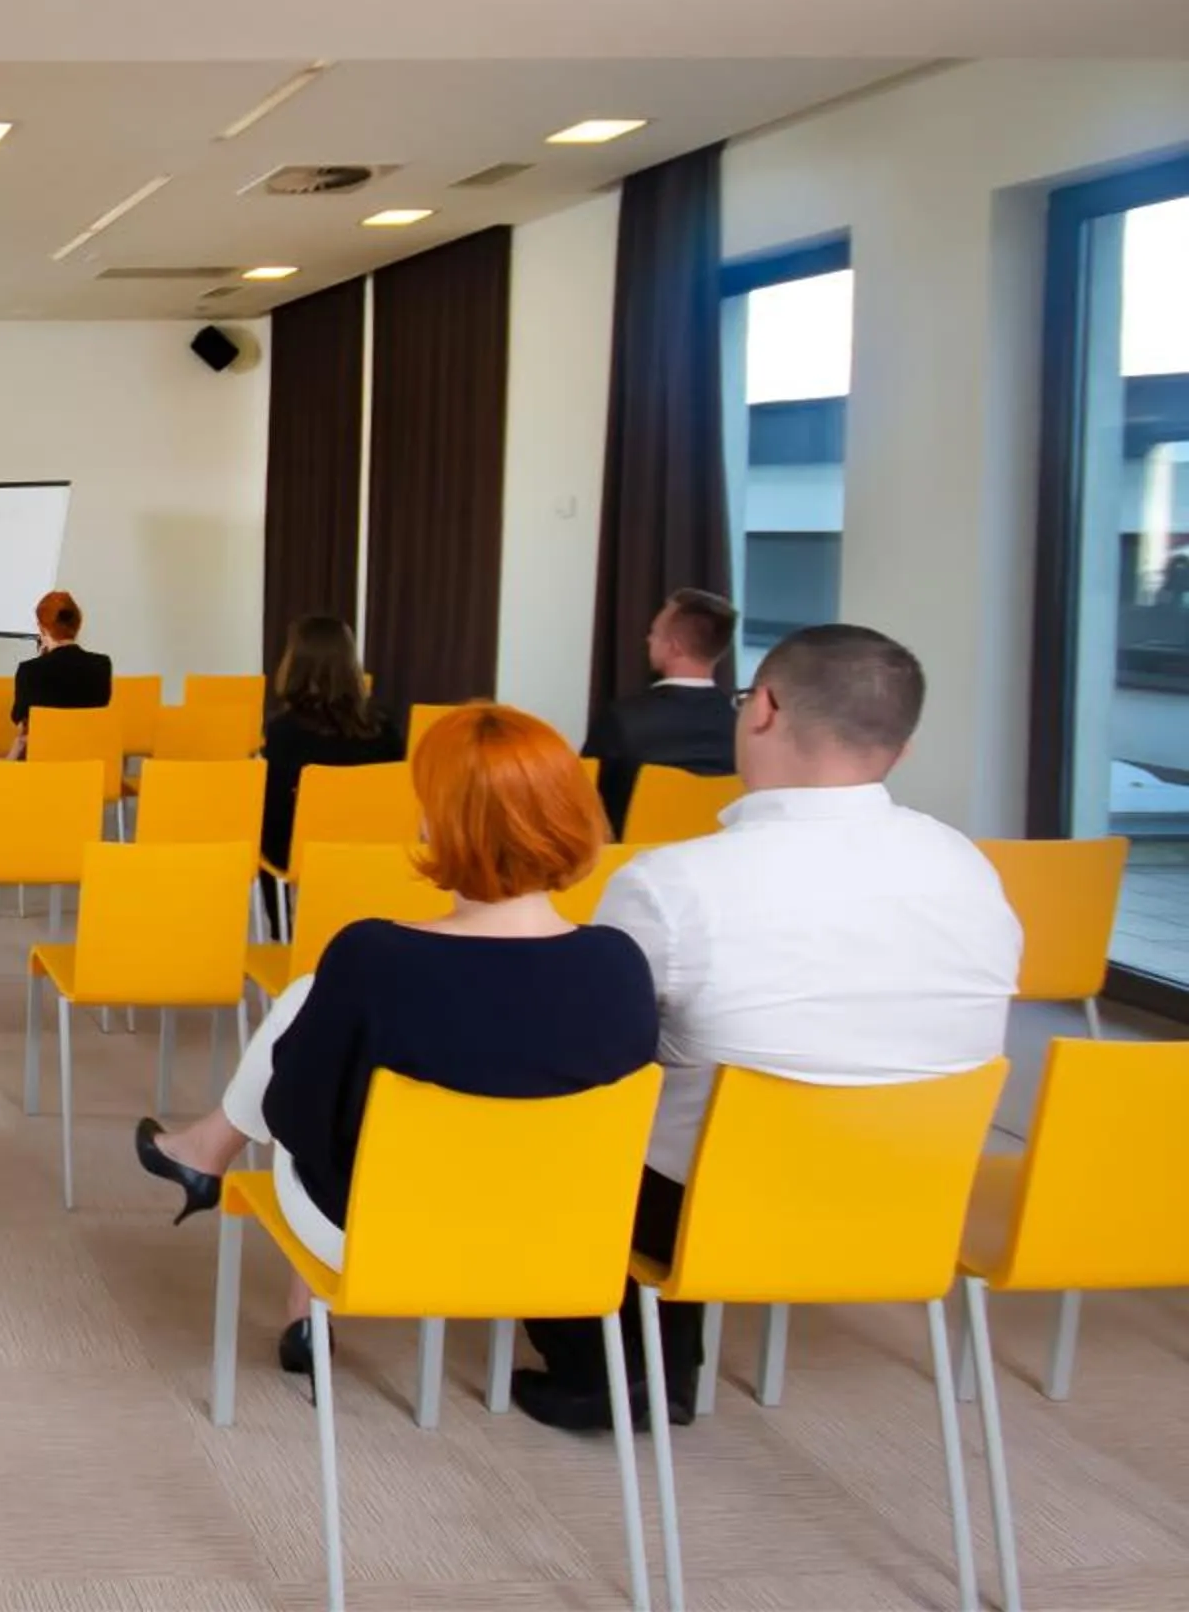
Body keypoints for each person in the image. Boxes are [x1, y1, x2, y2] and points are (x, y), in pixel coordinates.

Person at [513, 623, 1022, 1431]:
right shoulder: (970, 867)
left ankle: (615, 1370)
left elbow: (586, 1058)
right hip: (916, 1198)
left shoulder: (671, 883)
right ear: (902, 749)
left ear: (764, 710)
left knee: (554, 1105)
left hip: (710, 1210)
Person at [134, 704, 659, 1374]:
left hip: (382, 1237)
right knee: (320, 1015)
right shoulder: (621, 964)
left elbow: (294, 1116)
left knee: (305, 1025)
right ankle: (212, 1165)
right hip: (556, 1241)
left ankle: (238, 1203)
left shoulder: (373, 955)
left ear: (439, 821)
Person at [586, 587, 739, 833]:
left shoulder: (622, 720)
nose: (648, 640)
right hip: (717, 851)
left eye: (654, 633)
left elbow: (582, 799)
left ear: (674, 648)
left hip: (635, 854)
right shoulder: (740, 725)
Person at [259, 613, 405, 870]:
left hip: (303, 862)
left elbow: (274, 819)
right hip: (374, 857)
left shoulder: (283, 732)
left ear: (294, 664)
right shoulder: (386, 729)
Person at [9, 589, 112, 756]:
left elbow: (22, 725)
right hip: (88, 763)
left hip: (43, 764)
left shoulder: (29, 670)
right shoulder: (102, 665)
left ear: (42, 628)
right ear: (77, 624)